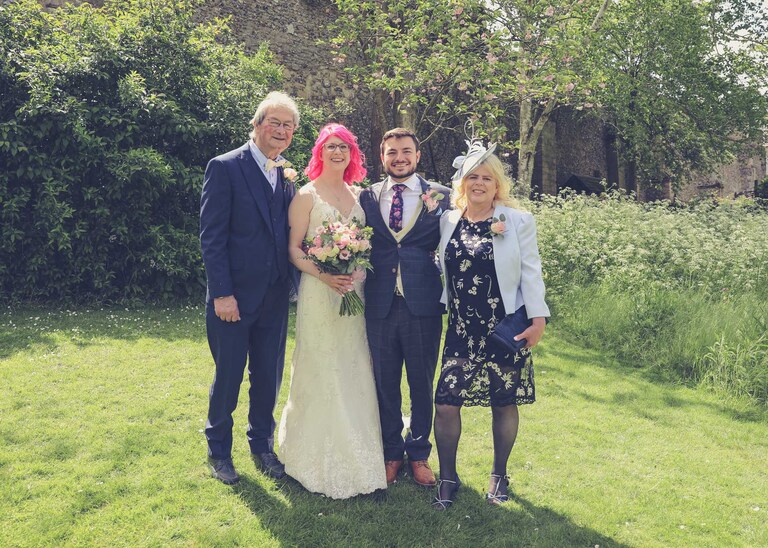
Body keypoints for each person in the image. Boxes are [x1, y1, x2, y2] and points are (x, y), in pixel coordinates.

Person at [431, 140, 550, 509]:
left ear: (497, 185)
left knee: (503, 402)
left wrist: (538, 319)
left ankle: (499, 474)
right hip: (462, 329)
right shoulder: (449, 219)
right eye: (472, 177)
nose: (479, 184)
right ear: (462, 183)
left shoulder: (517, 221)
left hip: (504, 326)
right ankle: (447, 477)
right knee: (446, 403)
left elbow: (531, 272)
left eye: (486, 178)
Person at [277, 123, 387, 499]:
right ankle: (308, 453)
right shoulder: (305, 196)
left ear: (352, 154)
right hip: (319, 292)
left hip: (354, 293)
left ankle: (362, 447)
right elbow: (293, 249)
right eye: (330, 146)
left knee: (355, 363)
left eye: (344, 147)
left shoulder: (361, 196)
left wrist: (357, 267)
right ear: (319, 152)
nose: (337, 152)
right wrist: (324, 274)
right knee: (320, 364)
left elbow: (369, 245)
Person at [200, 91, 300, 485]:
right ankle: (219, 452)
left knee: (267, 377)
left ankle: (262, 446)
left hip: (275, 296)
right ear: (257, 125)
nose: (281, 131)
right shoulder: (225, 167)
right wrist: (222, 294)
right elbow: (212, 237)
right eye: (274, 123)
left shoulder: (285, 174)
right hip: (234, 299)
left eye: (288, 126)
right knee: (228, 376)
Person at [359, 128, 452, 487]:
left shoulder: (441, 196)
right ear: (382, 157)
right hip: (380, 303)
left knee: (420, 382)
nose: (399, 157)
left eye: (406, 151)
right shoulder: (367, 197)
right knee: (384, 383)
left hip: (423, 305)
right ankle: (391, 452)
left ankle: (419, 454)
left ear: (417, 155)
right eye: (392, 152)